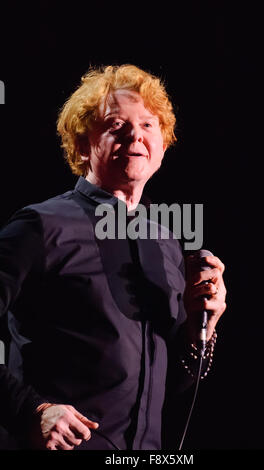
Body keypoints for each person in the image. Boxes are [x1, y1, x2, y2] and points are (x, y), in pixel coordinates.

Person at [0, 64, 226, 450]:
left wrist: (200, 327)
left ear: (163, 147)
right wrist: (31, 412)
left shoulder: (167, 243)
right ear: (84, 146)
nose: (135, 135)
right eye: (116, 125)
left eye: (148, 125)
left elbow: (171, 384)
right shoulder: (40, 227)